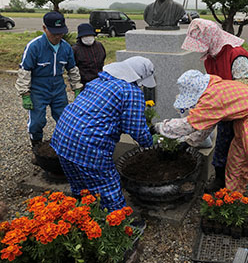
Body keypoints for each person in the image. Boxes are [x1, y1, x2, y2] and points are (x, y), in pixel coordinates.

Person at [155, 70, 248, 246]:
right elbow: (206, 124)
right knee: (235, 166)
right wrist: (189, 142)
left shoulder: (213, 98)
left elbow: (189, 124)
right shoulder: (214, 88)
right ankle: (233, 203)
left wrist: (159, 127)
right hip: (245, 123)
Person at [50, 56, 156, 212]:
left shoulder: (96, 82)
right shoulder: (130, 92)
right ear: (138, 76)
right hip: (88, 145)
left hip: (63, 137)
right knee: (107, 184)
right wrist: (149, 143)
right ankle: (119, 222)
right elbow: (136, 128)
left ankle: (84, 216)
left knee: (80, 185)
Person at [181, 18, 248, 193]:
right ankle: (220, 180)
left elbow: (243, 91)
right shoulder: (210, 57)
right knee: (222, 145)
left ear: (212, 38)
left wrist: (218, 109)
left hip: (244, 111)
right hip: (224, 110)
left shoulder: (236, 55)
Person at [15, 11, 83, 149]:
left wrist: (77, 88)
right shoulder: (34, 46)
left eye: (61, 32)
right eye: (54, 33)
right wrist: (25, 94)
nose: (58, 36)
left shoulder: (66, 48)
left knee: (65, 118)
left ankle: (65, 145)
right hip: (38, 89)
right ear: (44, 28)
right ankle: (36, 145)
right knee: (37, 121)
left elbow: (72, 69)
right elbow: (25, 71)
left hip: (58, 87)